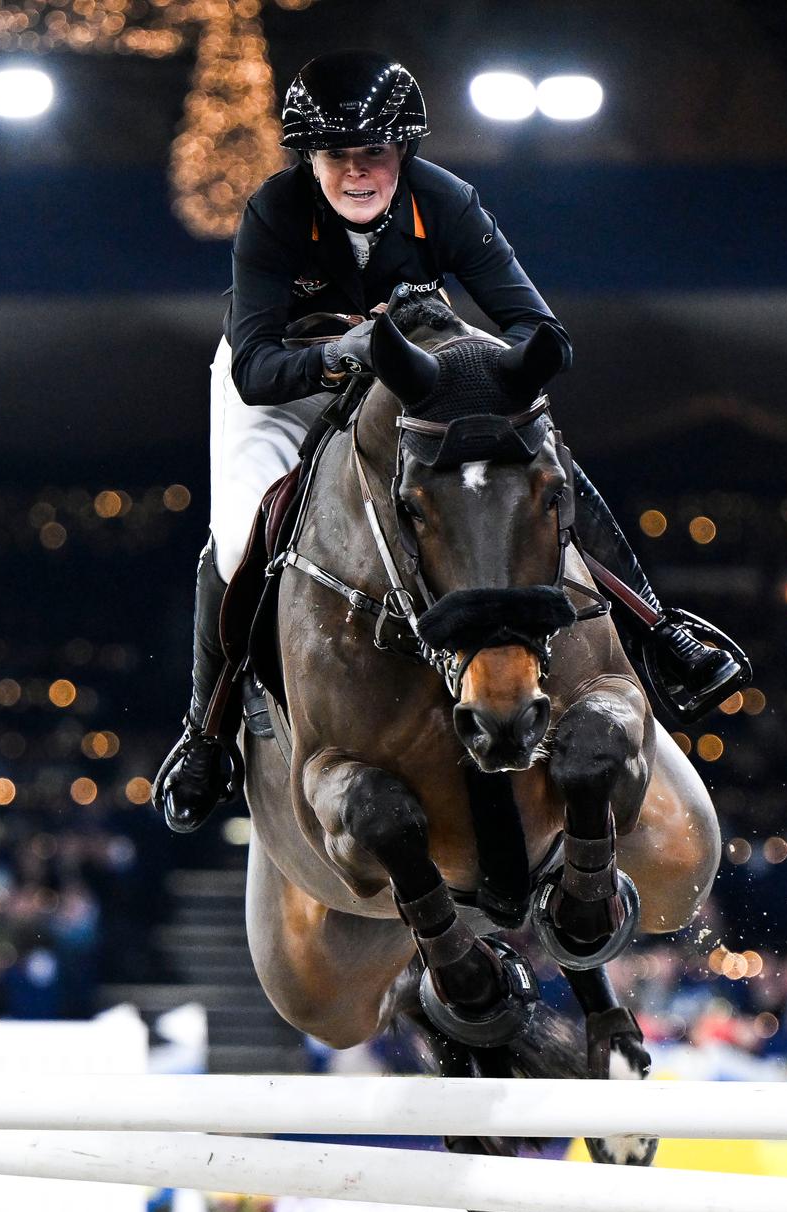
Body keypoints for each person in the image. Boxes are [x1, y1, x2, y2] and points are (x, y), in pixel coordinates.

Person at [155, 50, 746, 834]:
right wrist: (347, 353)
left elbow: (535, 323)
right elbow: (259, 368)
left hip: (413, 376)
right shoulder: (272, 212)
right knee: (236, 539)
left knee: (533, 458)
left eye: (376, 153)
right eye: (338, 157)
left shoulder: (448, 200)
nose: (357, 173)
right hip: (288, 381)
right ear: (312, 159)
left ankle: (657, 627)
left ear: (405, 152)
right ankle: (208, 730)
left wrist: (507, 372)